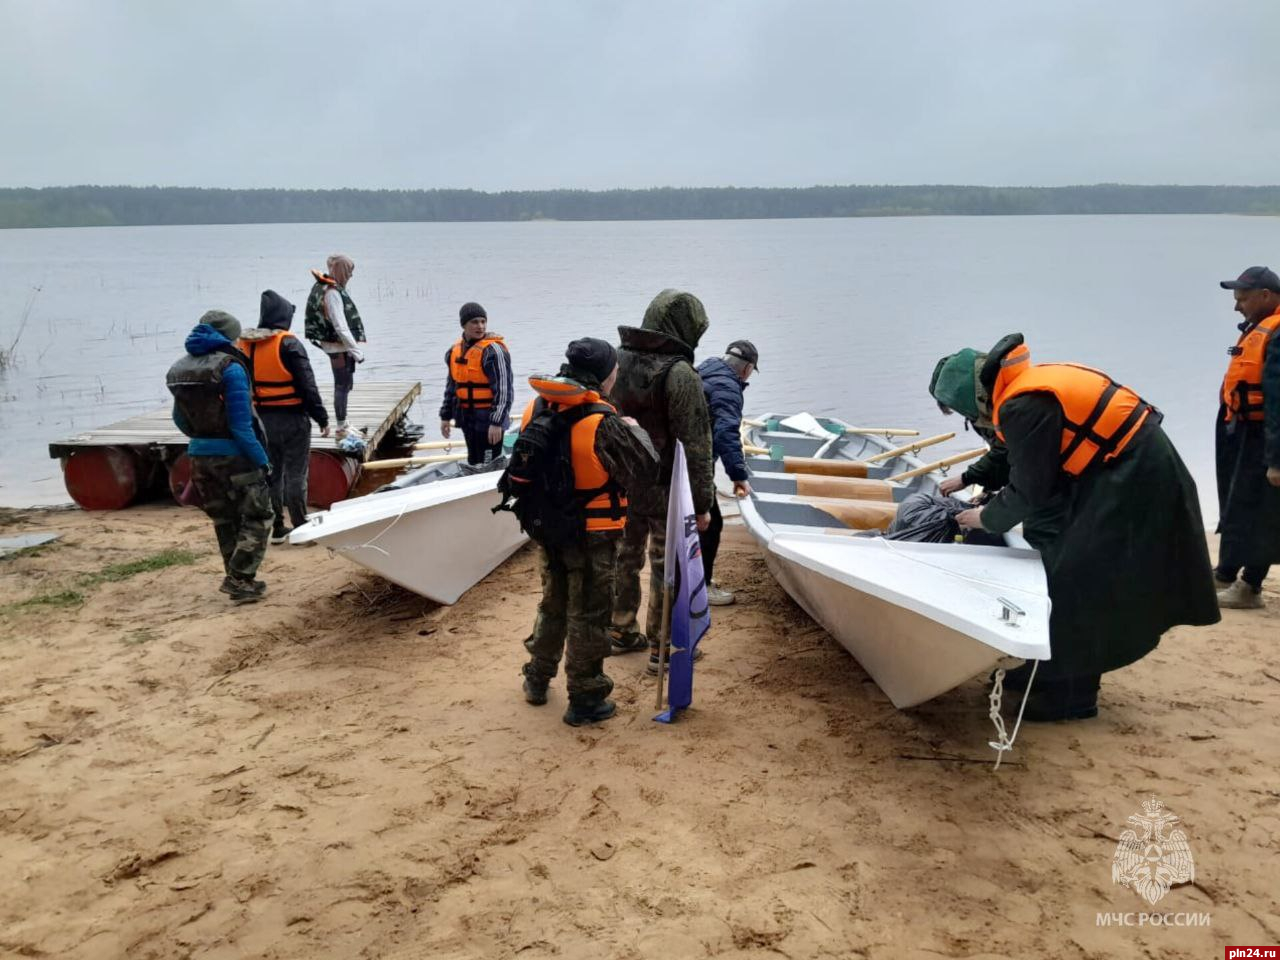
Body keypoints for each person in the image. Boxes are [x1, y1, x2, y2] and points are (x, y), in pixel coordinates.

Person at [929, 333, 1219, 722]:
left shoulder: (1023, 403)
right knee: (1061, 566)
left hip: (1136, 477)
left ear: (972, 397)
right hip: (1111, 470)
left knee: (1075, 579)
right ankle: (1041, 673)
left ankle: (1070, 696)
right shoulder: (1014, 393)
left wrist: (985, 517)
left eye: (963, 413)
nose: (970, 421)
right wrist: (970, 479)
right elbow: (1011, 452)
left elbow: (1030, 489)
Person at [518, 338, 658, 726]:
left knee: (552, 603)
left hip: (547, 528)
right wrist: (634, 429)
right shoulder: (604, 421)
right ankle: (585, 697)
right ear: (606, 375)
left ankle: (536, 677)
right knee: (590, 614)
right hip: (593, 535)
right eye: (614, 370)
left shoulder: (537, 406)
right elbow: (646, 470)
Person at [609, 289, 715, 671]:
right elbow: (697, 444)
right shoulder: (680, 374)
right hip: (664, 485)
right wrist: (702, 503)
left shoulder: (618, 360)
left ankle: (619, 628)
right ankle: (662, 645)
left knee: (625, 554)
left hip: (621, 478)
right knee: (664, 562)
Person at [166, 311, 273, 603]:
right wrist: (262, 460)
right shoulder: (231, 368)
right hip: (235, 457)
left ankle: (237, 578)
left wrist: (201, 439)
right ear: (227, 336)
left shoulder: (178, 369)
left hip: (199, 456)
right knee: (259, 515)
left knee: (224, 519)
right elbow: (242, 425)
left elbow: (180, 420)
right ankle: (240, 577)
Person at [238, 290, 330, 544]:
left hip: (261, 420)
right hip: (292, 419)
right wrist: (321, 418)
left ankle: (277, 527)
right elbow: (307, 385)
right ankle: (300, 525)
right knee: (296, 474)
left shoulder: (243, 344)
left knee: (272, 474)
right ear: (283, 318)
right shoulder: (289, 344)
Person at [1212, 266, 1280, 609]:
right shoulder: (1260, 326)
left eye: (1242, 299)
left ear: (1265, 296)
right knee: (1237, 503)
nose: (1237, 306)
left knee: (1263, 511)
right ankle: (1225, 572)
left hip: (1266, 436)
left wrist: (1276, 459)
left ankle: (1250, 587)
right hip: (1243, 430)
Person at [696, 339, 759, 605]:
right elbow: (726, 433)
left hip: (678, 456)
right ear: (746, 369)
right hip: (696, 460)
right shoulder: (728, 389)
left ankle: (693, 580)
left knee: (697, 521)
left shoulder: (707, 367)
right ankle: (701, 588)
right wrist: (738, 476)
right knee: (711, 522)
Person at [439, 302, 513, 465]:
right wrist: (445, 416)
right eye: (474, 322)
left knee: (489, 463)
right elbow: (452, 386)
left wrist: (496, 422)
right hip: (468, 419)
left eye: (483, 321)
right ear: (463, 325)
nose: (480, 326)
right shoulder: (454, 351)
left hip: (489, 421)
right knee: (473, 460)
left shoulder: (494, 351)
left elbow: (504, 390)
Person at [304, 254, 365, 436]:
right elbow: (340, 325)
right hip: (338, 347)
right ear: (341, 271)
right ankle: (340, 427)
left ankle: (344, 423)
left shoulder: (324, 286)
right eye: (349, 271)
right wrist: (356, 351)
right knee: (341, 385)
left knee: (345, 385)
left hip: (335, 345)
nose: (351, 276)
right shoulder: (332, 292)